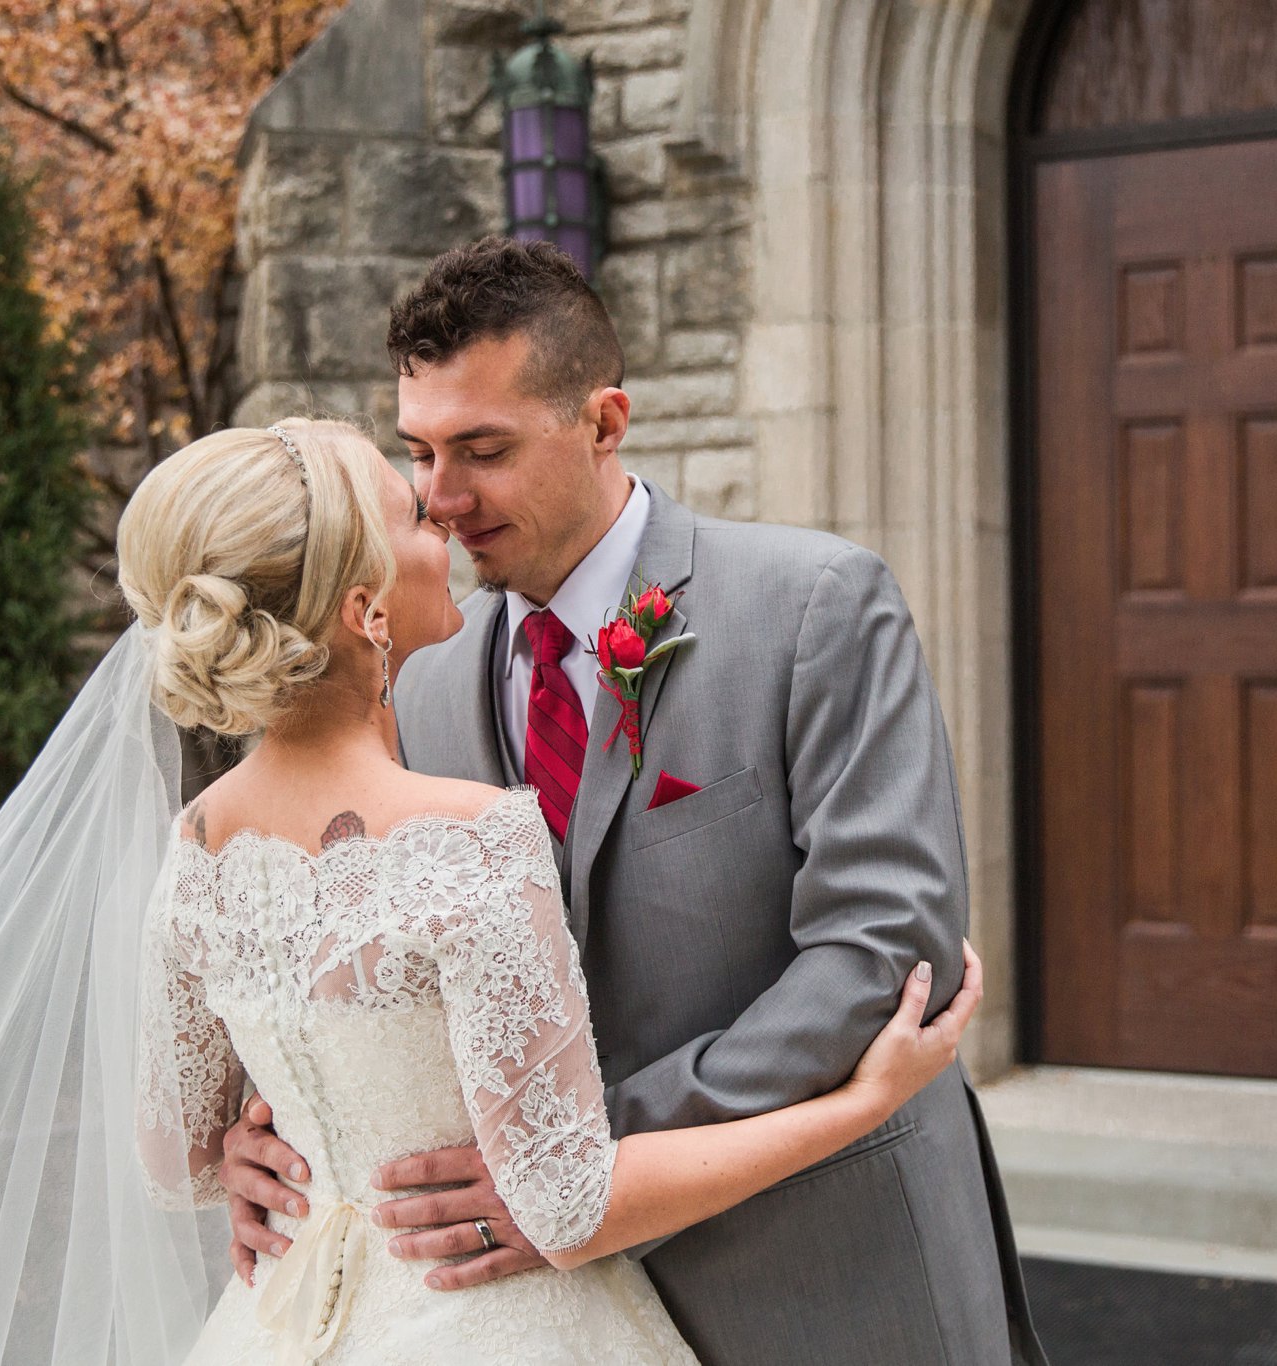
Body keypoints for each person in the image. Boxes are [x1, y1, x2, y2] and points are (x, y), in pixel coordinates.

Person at [0, 414, 977, 1364]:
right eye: (410, 513)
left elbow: (175, 1153)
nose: (441, 515)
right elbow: (566, 1204)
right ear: (363, 608)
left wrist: (259, 1154)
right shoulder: (468, 838)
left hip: (285, 1319)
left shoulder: (199, 847)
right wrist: (858, 1103)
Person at [220, 238, 1051, 1365]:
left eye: (483, 449)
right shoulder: (416, 680)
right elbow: (360, 956)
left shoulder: (814, 607)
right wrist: (275, 1131)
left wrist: (582, 1148)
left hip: (826, 1266)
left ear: (604, 422)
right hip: (541, 1308)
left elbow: (882, 950)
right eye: (418, 452)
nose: (441, 497)